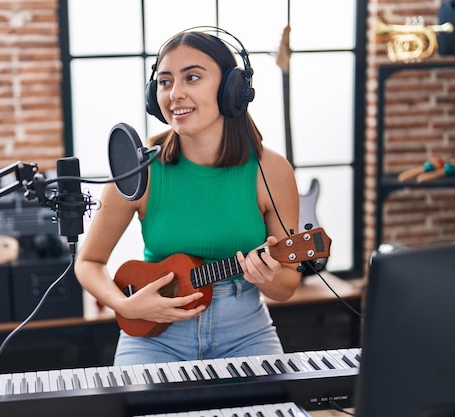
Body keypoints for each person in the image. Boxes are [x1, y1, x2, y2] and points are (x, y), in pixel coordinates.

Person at [74, 28, 301, 366]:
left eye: (192, 77)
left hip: (245, 334)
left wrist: (267, 277)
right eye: (165, 82)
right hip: (155, 340)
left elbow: (287, 285)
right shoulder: (139, 168)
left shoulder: (272, 170)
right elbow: (88, 262)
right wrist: (124, 305)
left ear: (231, 90)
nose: (175, 94)